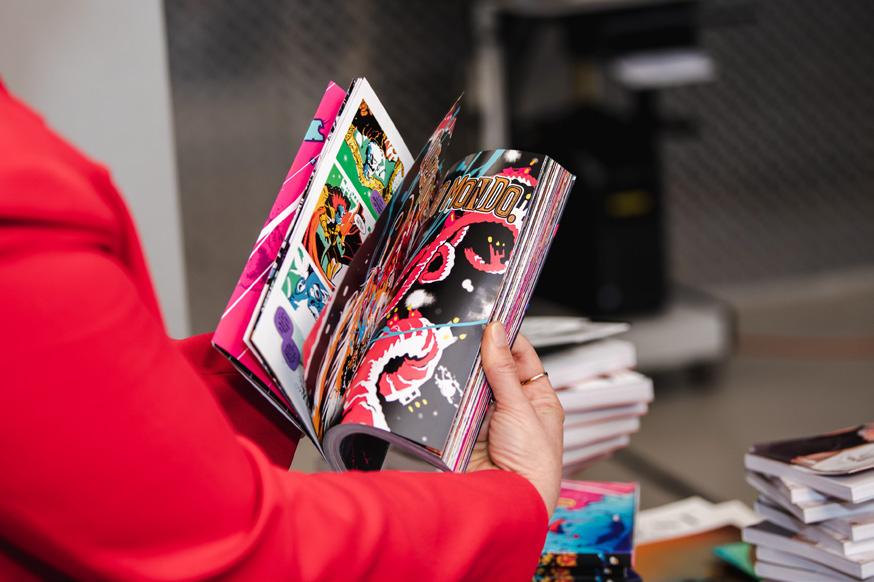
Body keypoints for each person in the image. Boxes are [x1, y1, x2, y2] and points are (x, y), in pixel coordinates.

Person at [0, 81, 564, 580]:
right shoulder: (21, 203)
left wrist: (297, 367)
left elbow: (88, 424)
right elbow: (227, 549)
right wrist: (506, 507)